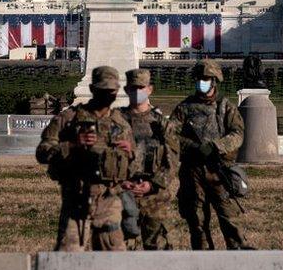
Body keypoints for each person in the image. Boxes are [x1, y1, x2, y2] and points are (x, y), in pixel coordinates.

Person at [36, 66, 135, 251]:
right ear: (92, 89)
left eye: (111, 91)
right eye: (102, 90)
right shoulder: (69, 119)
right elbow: (42, 151)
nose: (107, 95)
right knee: (69, 258)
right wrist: (72, 145)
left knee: (115, 262)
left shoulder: (121, 124)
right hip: (77, 199)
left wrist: (130, 152)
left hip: (109, 200)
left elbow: (134, 164)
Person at [172, 59, 252, 250]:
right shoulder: (184, 108)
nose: (202, 82)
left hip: (219, 171)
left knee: (231, 221)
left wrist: (216, 146)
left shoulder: (226, 107)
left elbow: (238, 134)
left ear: (214, 81)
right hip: (193, 172)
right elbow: (171, 136)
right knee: (197, 223)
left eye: (206, 79)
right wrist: (192, 147)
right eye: (199, 78)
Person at [119, 69, 180, 250]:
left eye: (141, 87)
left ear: (150, 89)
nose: (137, 91)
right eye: (133, 87)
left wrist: (152, 184)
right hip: (124, 194)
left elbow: (172, 161)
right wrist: (123, 183)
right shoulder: (116, 122)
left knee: (160, 252)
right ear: (126, 89)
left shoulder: (163, 124)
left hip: (156, 196)